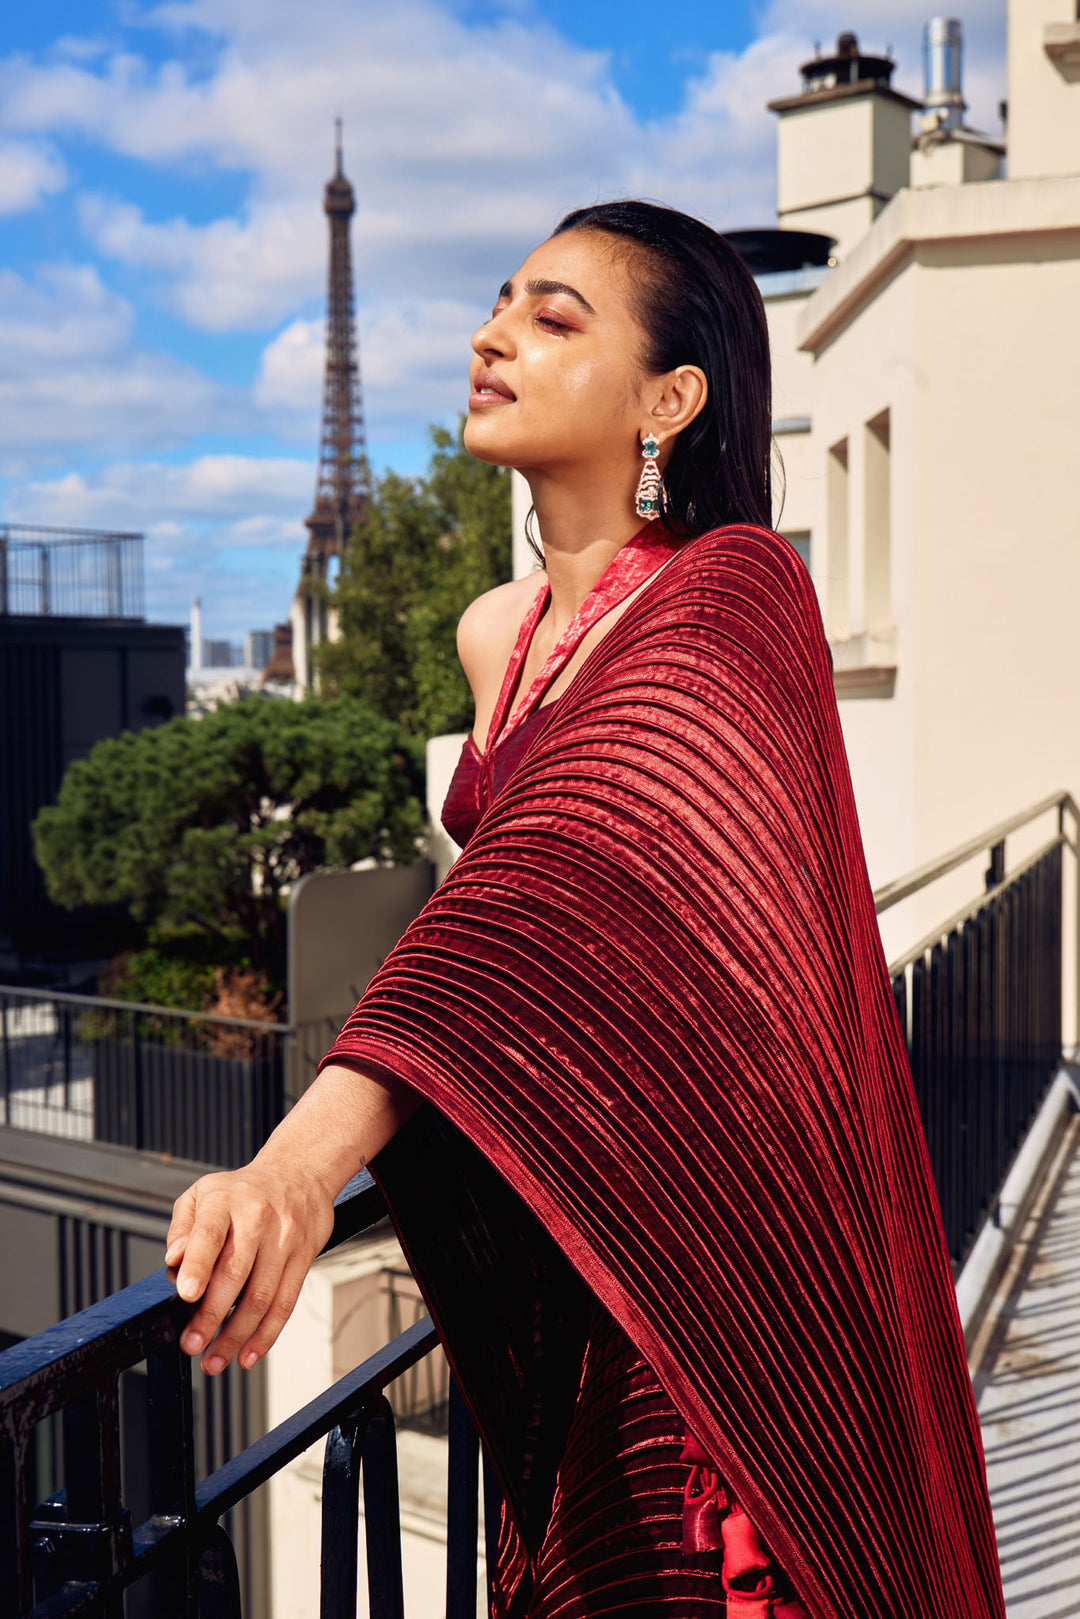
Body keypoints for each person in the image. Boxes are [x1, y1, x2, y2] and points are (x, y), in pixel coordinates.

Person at [166, 201, 1006, 1618]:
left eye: (557, 318)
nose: (494, 337)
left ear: (669, 399)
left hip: (723, 1255)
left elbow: (550, 875)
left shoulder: (738, 592)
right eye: (499, 305)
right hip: (584, 1226)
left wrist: (300, 1166)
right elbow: (525, 919)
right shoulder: (494, 633)